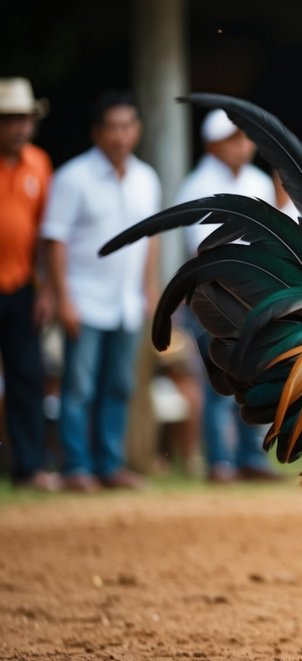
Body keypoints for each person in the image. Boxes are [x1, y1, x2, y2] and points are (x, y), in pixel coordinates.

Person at [41, 91, 160, 492]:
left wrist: (150, 286)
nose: (121, 136)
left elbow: (152, 238)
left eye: (127, 126)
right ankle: (77, 466)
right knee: (79, 386)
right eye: (112, 127)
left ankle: (110, 464)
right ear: (97, 133)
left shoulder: (146, 178)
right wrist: (63, 298)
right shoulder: (73, 178)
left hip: (127, 301)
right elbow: (54, 241)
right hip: (84, 298)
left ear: (138, 130)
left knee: (118, 384)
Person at [175, 109, 280, 484]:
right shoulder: (197, 186)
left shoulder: (259, 182)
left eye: (245, 138)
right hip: (215, 297)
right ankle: (220, 461)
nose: (242, 146)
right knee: (219, 381)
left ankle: (250, 458)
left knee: (254, 378)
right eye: (233, 139)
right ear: (212, 144)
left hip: (255, 298)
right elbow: (201, 249)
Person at [0, 77, 56, 491]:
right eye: (9, 119)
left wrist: (46, 289)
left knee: (26, 379)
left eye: (23, 118)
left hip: (21, 288)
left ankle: (29, 467)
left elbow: (44, 235)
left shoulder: (39, 163)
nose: (19, 126)